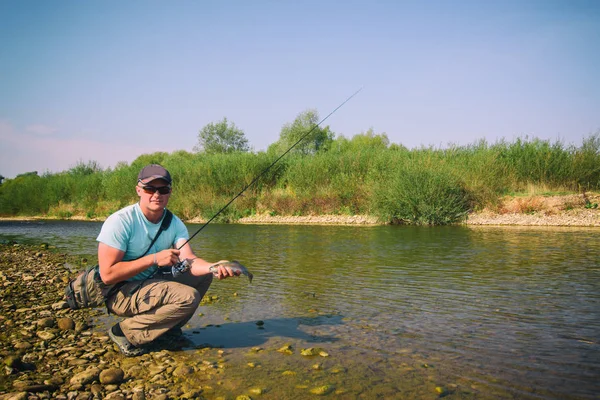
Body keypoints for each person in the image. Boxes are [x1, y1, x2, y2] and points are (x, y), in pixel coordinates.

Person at [98, 164, 239, 356]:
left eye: (163, 189)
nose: (157, 194)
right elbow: (107, 275)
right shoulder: (120, 222)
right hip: (120, 293)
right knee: (187, 297)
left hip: (150, 286)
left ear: (170, 192)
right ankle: (124, 332)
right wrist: (154, 259)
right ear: (138, 190)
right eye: (150, 189)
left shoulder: (174, 223)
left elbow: (189, 260)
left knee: (204, 276)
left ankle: (167, 329)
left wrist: (214, 267)